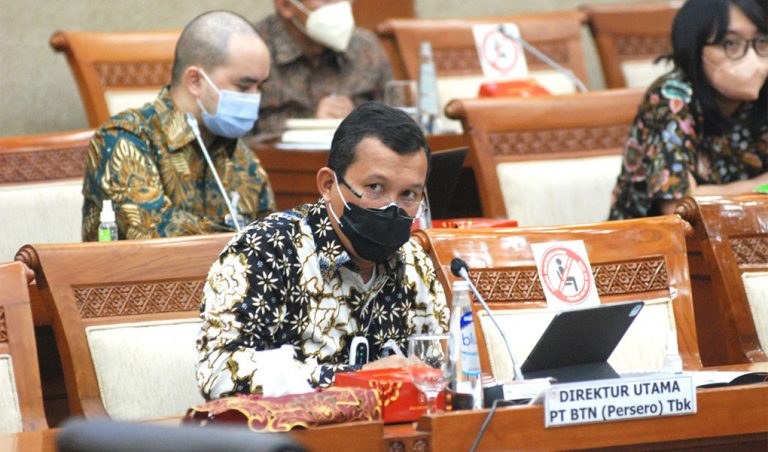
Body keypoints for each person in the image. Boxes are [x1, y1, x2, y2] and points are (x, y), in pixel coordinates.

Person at [197, 102, 448, 399]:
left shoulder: (415, 263)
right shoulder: (264, 253)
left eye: (408, 194)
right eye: (375, 188)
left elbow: (438, 374)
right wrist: (353, 379)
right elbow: (220, 372)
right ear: (328, 185)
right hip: (292, 428)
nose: (392, 208)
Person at [82, 11, 276, 241]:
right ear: (195, 81)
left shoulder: (243, 158)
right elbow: (155, 236)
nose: (255, 98)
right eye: (244, 87)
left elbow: (271, 244)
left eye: (260, 87)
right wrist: (245, 237)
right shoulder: (124, 139)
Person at [609, 0, 768, 220]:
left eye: (762, 41)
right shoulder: (672, 96)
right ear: (695, 48)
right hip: (654, 236)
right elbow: (679, 207)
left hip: (745, 231)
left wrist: (705, 193)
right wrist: (760, 185)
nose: (752, 59)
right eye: (731, 43)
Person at [252, 0, 393, 137]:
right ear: (286, 5)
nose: (339, 5)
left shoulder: (366, 47)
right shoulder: (252, 48)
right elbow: (243, 134)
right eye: (326, 0)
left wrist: (358, 121)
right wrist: (311, 124)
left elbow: (394, 123)